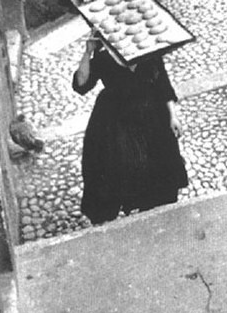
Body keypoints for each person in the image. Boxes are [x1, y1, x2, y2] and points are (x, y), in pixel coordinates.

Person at [73, 33, 188, 224]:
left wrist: (172, 116)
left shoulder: (148, 51)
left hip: (151, 113)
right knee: (116, 165)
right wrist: (88, 53)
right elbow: (81, 83)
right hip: (115, 117)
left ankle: (154, 208)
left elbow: (163, 86)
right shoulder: (104, 57)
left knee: (158, 162)